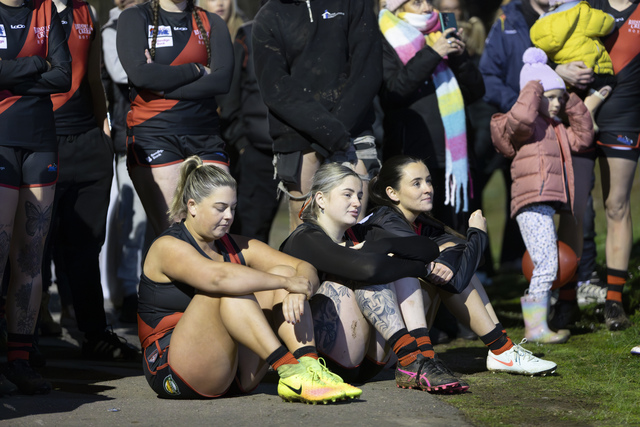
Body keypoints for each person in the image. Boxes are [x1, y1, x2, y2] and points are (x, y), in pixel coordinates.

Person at [137, 156, 361, 402]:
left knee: (284, 272)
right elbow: (218, 278)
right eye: (220, 208)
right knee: (233, 284)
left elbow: (303, 267)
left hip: (236, 372)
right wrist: (286, 283)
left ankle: (309, 368)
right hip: (174, 370)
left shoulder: (234, 244)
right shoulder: (167, 246)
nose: (229, 216)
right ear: (192, 206)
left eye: (233, 208)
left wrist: (299, 289)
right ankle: (289, 369)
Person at [280, 163, 467, 392]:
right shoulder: (305, 238)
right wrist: (423, 269)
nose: (357, 203)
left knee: (396, 266)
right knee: (369, 272)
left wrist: (382, 246)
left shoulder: (358, 233)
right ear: (320, 199)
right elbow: (368, 270)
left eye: (360, 196)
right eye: (347, 195)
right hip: (324, 361)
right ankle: (411, 358)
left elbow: (427, 248)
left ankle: (423, 356)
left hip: (369, 361)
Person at [365, 155, 559, 375]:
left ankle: (503, 349)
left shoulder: (421, 223)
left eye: (428, 181)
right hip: (376, 352)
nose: (428, 189)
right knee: (445, 272)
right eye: (416, 183)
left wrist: (453, 253)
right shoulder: (385, 221)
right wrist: (477, 235)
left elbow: (469, 261)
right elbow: (455, 280)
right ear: (392, 193)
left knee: (451, 264)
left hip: (398, 344)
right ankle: (502, 350)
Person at [490, 47, 593, 343]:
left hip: (546, 203)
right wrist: (534, 85)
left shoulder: (556, 126)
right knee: (547, 263)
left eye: (560, 98)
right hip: (531, 202)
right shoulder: (521, 125)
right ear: (534, 96)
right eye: (551, 97)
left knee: (545, 262)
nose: (557, 103)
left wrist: (570, 98)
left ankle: (538, 325)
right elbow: (521, 117)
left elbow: (584, 137)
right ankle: (535, 328)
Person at [252, 0, 382, 233]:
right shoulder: (269, 15)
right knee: (304, 232)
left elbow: (368, 71)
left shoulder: (354, 3)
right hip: (296, 134)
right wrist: (327, 131)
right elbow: (275, 88)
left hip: (352, 129)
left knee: (355, 229)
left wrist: (336, 132)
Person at [0, 0, 71, 394]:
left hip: (41, 142)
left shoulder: (46, 9)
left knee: (29, 257)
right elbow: (49, 70)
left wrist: (12, 74)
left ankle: (20, 360)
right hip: (2, 140)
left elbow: (64, 76)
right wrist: (37, 64)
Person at [116, 0, 233, 236]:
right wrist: (197, 70)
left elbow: (222, 81)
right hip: (155, 135)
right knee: (176, 234)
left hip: (205, 135)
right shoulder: (135, 17)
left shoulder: (212, 22)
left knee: (217, 227)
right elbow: (141, 75)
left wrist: (163, 87)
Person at [378, 0, 485, 232]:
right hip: (413, 153)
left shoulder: (440, 35)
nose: (427, 8)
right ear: (397, 7)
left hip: (453, 158)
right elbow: (394, 91)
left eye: (428, 1)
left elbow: (476, 91)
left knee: (455, 232)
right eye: (417, 2)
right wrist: (433, 53)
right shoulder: (385, 38)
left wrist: (459, 57)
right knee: (420, 231)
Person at [587, 0, 640, 331]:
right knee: (574, 208)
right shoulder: (587, 5)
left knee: (616, 205)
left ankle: (614, 300)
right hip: (577, 114)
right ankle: (567, 297)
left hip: (624, 119)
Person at [102, 0, 149, 323]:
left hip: (164, 135)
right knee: (131, 221)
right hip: (128, 138)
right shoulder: (112, 29)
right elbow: (123, 72)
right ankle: (128, 293)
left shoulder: (160, 22)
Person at [218, 16, 279, 243]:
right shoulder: (248, 35)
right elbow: (229, 98)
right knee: (251, 233)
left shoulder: (307, 28)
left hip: (299, 150)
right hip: (257, 150)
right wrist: (242, 143)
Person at [530, 0, 616, 131]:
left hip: (565, 79)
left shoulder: (539, 24)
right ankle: (589, 109)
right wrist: (611, 19)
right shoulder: (580, 11)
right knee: (609, 81)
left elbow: (538, 54)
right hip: (588, 70)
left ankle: (562, 118)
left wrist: (555, 68)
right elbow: (604, 24)